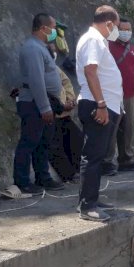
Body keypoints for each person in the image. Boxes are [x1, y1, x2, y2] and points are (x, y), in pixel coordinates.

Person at [76, 5, 123, 222]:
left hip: (103, 105)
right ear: (109, 24)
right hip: (97, 105)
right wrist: (102, 105)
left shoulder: (98, 41)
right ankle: (87, 206)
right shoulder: (93, 39)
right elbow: (90, 71)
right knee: (93, 156)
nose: (117, 31)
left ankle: (91, 199)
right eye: (116, 26)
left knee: (98, 155)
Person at [12, 13, 66, 195]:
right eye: (53, 28)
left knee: (43, 142)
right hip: (34, 102)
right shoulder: (32, 48)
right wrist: (45, 107)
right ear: (43, 28)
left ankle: (43, 177)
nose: (55, 32)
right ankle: (22, 182)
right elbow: (36, 80)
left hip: (45, 101)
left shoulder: (42, 47)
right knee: (29, 142)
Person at [103, 18, 134, 175]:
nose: (126, 32)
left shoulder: (130, 47)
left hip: (129, 94)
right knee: (111, 129)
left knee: (127, 128)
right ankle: (106, 162)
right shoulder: (107, 45)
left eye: (129, 30)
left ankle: (126, 160)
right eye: (123, 29)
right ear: (115, 29)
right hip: (113, 93)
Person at [46, 43, 83, 183]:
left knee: (76, 138)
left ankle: (79, 169)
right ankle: (68, 175)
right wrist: (61, 105)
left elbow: (66, 83)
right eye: (52, 51)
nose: (55, 53)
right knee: (55, 146)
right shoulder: (40, 69)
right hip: (52, 112)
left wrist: (71, 100)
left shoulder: (55, 69)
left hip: (64, 113)